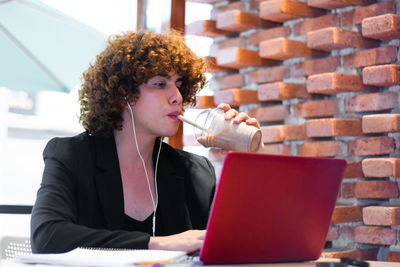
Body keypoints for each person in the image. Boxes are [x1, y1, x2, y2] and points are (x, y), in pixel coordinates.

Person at [30, 30, 262, 254]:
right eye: (160, 84)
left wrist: (252, 160)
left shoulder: (195, 171)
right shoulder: (71, 155)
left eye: (179, 85)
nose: (177, 97)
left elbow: (244, 241)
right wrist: (156, 244)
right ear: (123, 94)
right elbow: (47, 237)